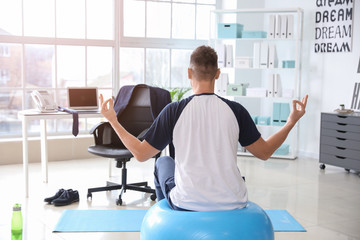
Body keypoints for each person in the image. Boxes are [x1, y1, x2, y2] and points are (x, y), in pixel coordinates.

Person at [99, 45, 308, 212]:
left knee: (163, 161)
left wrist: (113, 120)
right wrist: (291, 121)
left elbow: (141, 154)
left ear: (189, 72)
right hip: (233, 202)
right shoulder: (236, 110)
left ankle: (168, 216)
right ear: (217, 74)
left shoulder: (174, 111)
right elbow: (264, 152)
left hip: (187, 204)